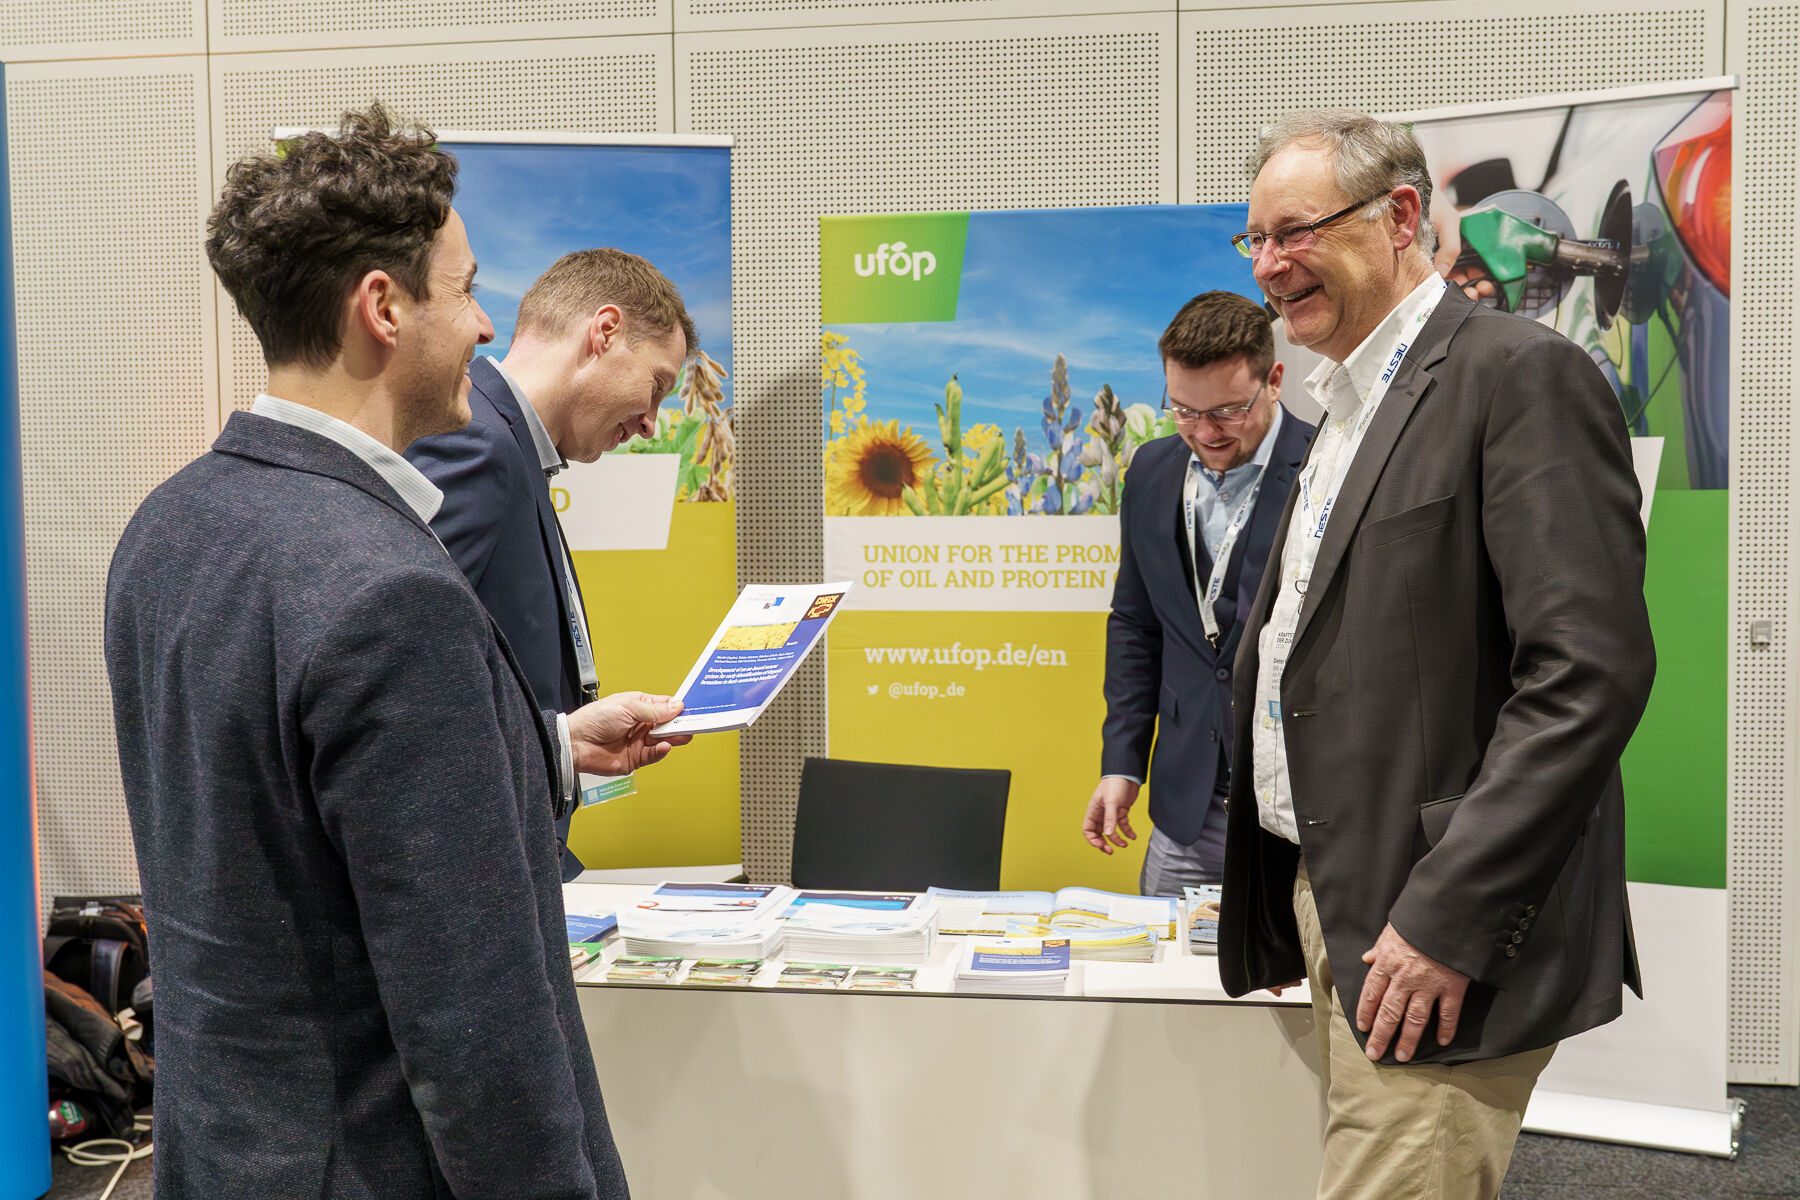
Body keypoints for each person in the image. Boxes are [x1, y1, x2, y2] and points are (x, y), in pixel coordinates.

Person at [104, 104, 684, 1199]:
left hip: (225, 1155)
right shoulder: (390, 590)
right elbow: (475, 1028)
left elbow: (286, 823)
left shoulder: (164, 528)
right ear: (383, 307)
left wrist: (543, 748)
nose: (485, 328)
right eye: (466, 291)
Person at [1219, 110, 1654, 1199]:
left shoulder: (1520, 377)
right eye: (1255, 239)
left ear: (1401, 216)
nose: (1268, 264)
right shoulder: (1344, 405)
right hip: (1341, 893)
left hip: (1434, 926)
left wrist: (1445, 921)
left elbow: (1586, 676)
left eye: (1295, 231)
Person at [406, 249, 694, 880]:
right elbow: (404, 674)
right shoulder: (478, 442)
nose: (651, 424)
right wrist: (557, 740)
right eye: (656, 386)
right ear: (605, 332)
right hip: (472, 865)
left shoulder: (507, 445)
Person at [1082, 292, 1313, 895]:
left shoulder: (1327, 467)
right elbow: (1135, 624)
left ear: (1274, 381)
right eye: (1183, 410)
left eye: (1228, 411)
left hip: (1300, 809)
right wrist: (1122, 762)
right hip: (1187, 804)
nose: (1205, 432)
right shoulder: (1151, 471)